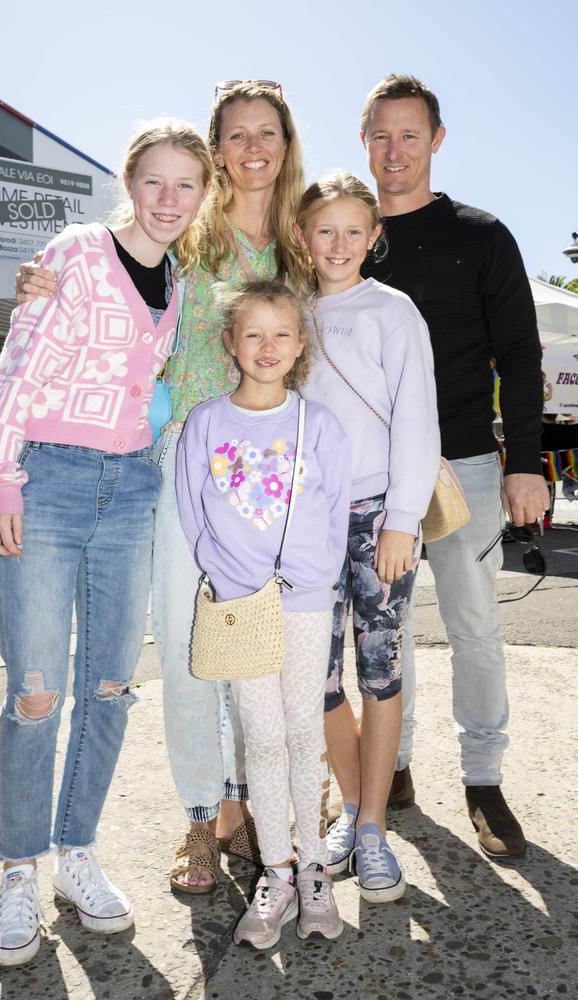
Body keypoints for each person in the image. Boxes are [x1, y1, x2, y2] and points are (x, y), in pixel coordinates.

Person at [15, 81, 306, 894]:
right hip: (180, 455)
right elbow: (105, 256)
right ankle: (199, 817)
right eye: (238, 135)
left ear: (286, 145)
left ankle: (255, 805)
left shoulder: (303, 242)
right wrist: (40, 279)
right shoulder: (189, 235)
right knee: (184, 645)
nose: (254, 148)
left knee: (258, 644)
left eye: (268, 133)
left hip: (270, 465)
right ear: (217, 152)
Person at [0, 119, 212, 967]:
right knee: (36, 694)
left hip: (132, 489)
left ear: (202, 194)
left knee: (109, 688)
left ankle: (76, 853)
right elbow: (21, 360)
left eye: (187, 184)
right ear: (130, 181)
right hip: (48, 482)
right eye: (155, 182)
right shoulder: (75, 248)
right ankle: (17, 874)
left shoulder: (179, 282)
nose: (169, 199)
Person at [358, 74, 548, 859]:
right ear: (362, 142)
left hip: (464, 459)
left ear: (436, 140)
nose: (393, 151)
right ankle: (392, 769)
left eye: (409, 135)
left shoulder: (482, 233)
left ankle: (482, 779)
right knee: (383, 631)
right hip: (372, 474)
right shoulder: (345, 236)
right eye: (379, 135)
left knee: (473, 628)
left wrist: (526, 464)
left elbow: (522, 354)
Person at [176, 279, 350, 947]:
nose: (268, 346)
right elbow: (195, 512)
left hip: (305, 603)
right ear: (231, 343)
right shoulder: (207, 423)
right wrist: (230, 578)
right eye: (254, 333)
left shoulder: (319, 425)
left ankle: (313, 869)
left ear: (300, 345)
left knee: (305, 733)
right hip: (242, 607)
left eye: (282, 333)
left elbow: (335, 514)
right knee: (264, 739)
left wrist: (313, 578)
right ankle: (275, 870)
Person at [296, 173, 440, 899]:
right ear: (303, 235)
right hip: (305, 527)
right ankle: (349, 810)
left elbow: (418, 419)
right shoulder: (289, 311)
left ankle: (378, 826)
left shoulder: (393, 312)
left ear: (374, 238)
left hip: (380, 518)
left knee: (378, 671)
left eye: (355, 231)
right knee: (317, 677)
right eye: (326, 230)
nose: (340, 245)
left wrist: (403, 521)